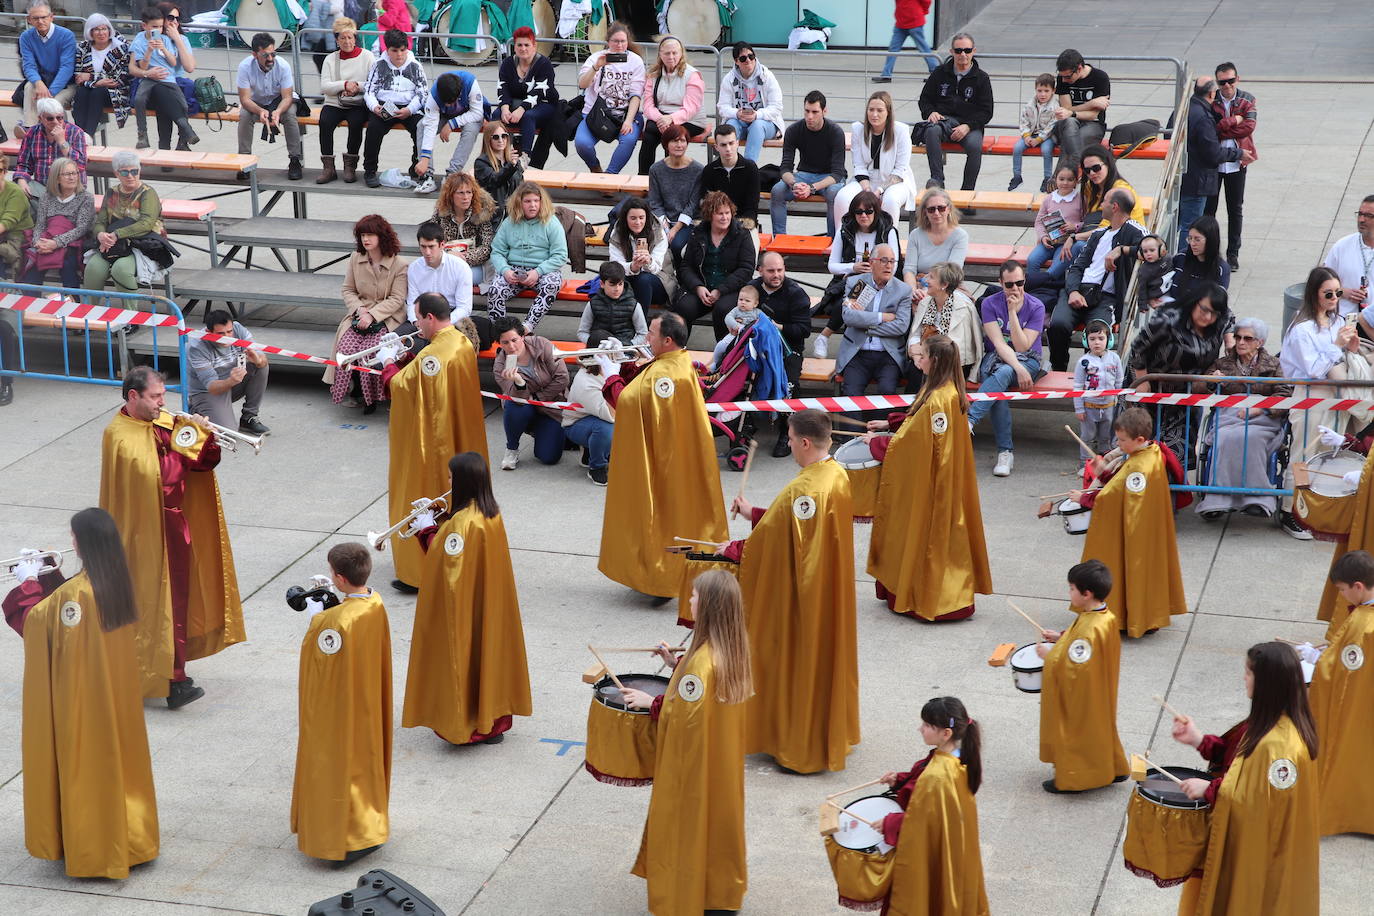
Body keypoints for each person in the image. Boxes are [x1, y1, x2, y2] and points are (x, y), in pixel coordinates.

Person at [12, 507, 157, 879]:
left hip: (84, 697)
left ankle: (96, 847)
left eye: (73, 536)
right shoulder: (113, 579)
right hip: (113, 691)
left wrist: (29, 585)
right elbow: (64, 611)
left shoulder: (77, 596)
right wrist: (51, 577)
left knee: (87, 764)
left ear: (83, 543)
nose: (70, 541)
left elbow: (39, 625)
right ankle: (131, 838)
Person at [718, 410, 858, 774]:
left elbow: (778, 542)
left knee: (791, 658)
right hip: (826, 587)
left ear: (806, 442)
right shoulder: (835, 473)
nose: (791, 446)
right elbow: (795, 524)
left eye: (793, 439)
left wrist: (736, 550)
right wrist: (755, 513)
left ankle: (797, 741)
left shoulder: (803, 488)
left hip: (802, 597)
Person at [99, 367, 245, 706]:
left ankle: (172, 672)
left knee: (177, 601)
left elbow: (200, 465)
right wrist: (189, 438)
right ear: (133, 396)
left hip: (173, 528)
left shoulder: (160, 422)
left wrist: (201, 437)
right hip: (146, 534)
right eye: (155, 397)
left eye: (163, 396)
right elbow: (160, 480)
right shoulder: (119, 435)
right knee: (156, 603)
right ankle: (167, 677)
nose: (162, 403)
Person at [621, 569, 751, 915]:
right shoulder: (729, 647)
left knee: (689, 823)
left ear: (707, 605)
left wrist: (652, 704)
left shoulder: (701, 664)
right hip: (721, 760)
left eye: (694, 596)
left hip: (696, 766)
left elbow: (686, 720)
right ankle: (719, 889)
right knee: (718, 821)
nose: (689, 599)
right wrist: (674, 663)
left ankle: (688, 891)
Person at [1168, 642, 1319, 915]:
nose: (1243, 678)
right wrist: (1198, 739)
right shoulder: (1267, 723)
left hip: (1258, 859)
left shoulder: (1280, 747)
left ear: (1266, 684)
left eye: (1248, 673)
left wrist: (1210, 789)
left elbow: (1262, 808)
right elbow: (1237, 760)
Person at [404, 452, 532, 745]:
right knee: (488, 655)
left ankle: (466, 725)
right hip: (489, 601)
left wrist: (426, 528)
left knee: (465, 654)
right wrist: (440, 518)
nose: (446, 481)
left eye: (450, 478)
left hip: (465, 605)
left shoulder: (462, 524)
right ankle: (492, 721)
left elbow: (446, 561)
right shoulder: (489, 512)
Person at [598, 312, 727, 599]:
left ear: (667, 340)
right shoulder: (677, 361)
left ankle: (662, 579)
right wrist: (625, 364)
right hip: (678, 453)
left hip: (665, 460)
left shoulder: (664, 377)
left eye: (651, 333)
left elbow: (632, 403)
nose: (647, 338)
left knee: (662, 516)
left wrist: (610, 377)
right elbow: (643, 384)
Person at [866, 334, 990, 621]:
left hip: (935, 482)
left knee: (926, 535)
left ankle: (931, 596)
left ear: (935, 361)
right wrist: (891, 422)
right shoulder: (943, 391)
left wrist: (876, 444)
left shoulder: (939, 399)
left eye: (922, 355)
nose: (916, 359)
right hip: (943, 476)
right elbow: (920, 421)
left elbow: (920, 443)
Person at [290, 542, 392, 863]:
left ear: (340, 578)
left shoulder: (334, 623)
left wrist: (317, 619)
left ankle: (344, 838)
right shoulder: (374, 602)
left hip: (340, 708)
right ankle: (368, 826)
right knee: (364, 762)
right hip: (366, 700)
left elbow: (318, 668)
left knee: (338, 765)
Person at [380, 292, 488, 591]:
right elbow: (426, 374)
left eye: (417, 317)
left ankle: (421, 570)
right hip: (458, 434)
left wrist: (388, 361)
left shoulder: (432, 355)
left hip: (434, 444)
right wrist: (405, 357)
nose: (415, 323)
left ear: (429, 317)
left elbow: (401, 387)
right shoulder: (460, 341)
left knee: (425, 495)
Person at [1071, 407, 1186, 637]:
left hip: (1137, 535)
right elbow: (1120, 486)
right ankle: (1145, 614)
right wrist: (1104, 473)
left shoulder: (1138, 468)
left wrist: (1084, 497)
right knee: (1145, 572)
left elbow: (1117, 498)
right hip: (1147, 531)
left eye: (1122, 440)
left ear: (1139, 439)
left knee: (1133, 569)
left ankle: (1132, 617)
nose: (1119, 444)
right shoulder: (1149, 454)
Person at [875, 696, 987, 913]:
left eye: (927, 725)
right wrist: (900, 779)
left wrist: (890, 823)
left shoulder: (937, 775)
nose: (920, 729)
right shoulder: (958, 756)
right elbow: (931, 803)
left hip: (934, 844)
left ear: (946, 733)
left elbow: (921, 820)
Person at [1281, 266, 1367, 539]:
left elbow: (1344, 358)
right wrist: (1337, 344)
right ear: (1314, 294)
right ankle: (1290, 511)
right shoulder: (1302, 328)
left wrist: (1351, 346)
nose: (1334, 298)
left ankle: (1323, 512)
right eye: (1328, 293)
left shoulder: (1339, 320)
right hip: (1312, 395)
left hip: (1338, 395)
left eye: (1338, 293)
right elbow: (1313, 368)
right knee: (1304, 454)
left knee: (1332, 454)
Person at [1036, 560, 1129, 793]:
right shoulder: (1104, 617)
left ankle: (1077, 777)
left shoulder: (1089, 628)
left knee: (1077, 729)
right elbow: (1082, 647)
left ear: (1086, 594)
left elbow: (1074, 668)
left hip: (1084, 693)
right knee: (1101, 725)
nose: (1069, 593)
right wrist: (1061, 638)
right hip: (1101, 686)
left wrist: (1050, 656)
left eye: (1071, 589)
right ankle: (1110, 765)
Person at [1193, 317, 1289, 520]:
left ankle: (1257, 499)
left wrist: (1261, 408)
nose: (1241, 342)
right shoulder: (1222, 363)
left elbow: (1284, 394)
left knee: (1252, 439)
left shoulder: (1273, 365)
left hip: (1261, 420)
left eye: (1247, 338)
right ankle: (1218, 499)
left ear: (1260, 342)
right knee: (1225, 439)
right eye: (1237, 337)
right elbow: (1197, 388)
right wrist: (1211, 381)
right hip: (1229, 417)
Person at [1129, 283, 1233, 468]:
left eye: (1214, 314)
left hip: (1185, 397)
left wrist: (1229, 339)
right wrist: (1141, 379)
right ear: (1195, 302)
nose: (1208, 317)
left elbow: (1229, 320)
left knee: (1174, 456)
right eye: (1204, 310)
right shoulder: (1168, 318)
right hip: (1150, 390)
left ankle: (1169, 493)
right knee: (1140, 448)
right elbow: (1138, 346)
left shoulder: (1220, 318)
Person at [1310, 550, 1374, 837]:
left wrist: (1315, 660)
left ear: (1358, 587)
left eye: (1342, 590)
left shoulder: (1364, 624)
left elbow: (1340, 672)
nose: (1342, 596)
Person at [1050, 187, 1146, 371]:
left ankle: (1092, 376)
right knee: (1057, 325)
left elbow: (1158, 250)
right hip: (1079, 290)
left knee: (1097, 335)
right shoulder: (1098, 234)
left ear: (1115, 206)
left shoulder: (1134, 231)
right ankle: (1058, 371)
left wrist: (1122, 250)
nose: (1100, 205)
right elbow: (1077, 267)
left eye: (1104, 201)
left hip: (1106, 298)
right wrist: (1074, 291)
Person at [968, 260, 1046, 477]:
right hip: (997, 357)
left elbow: (1022, 346)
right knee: (999, 381)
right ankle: (1005, 452)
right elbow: (999, 344)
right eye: (1009, 285)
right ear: (1000, 283)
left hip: (1028, 359)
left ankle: (969, 420)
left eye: (1019, 283)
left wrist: (1012, 313)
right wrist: (1017, 369)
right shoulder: (989, 304)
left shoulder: (1036, 306)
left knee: (999, 375)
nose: (1015, 289)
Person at [325, 214, 408, 410]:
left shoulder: (400, 264)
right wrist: (360, 310)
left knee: (371, 351)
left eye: (370, 234)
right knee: (345, 346)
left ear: (382, 236)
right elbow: (348, 289)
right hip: (358, 315)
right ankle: (352, 390)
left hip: (386, 319)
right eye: (362, 235)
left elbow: (397, 299)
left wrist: (372, 315)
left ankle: (375, 397)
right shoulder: (356, 258)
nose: (365, 239)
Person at [814, 191, 902, 358]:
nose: (863, 216)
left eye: (868, 211)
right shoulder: (845, 230)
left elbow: (894, 265)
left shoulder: (888, 231)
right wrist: (853, 267)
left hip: (883, 282)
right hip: (848, 281)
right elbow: (832, 266)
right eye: (858, 212)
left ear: (876, 212)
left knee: (855, 296)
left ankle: (825, 336)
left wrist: (873, 273)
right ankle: (834, 342)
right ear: (853, 213)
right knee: (851, 296)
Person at [914, 33, 993, 192]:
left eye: (967, 50)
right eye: (958, 51)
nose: (963, 54)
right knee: (931, 130)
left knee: (975, 147)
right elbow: (924, 100)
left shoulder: (982, 78)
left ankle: (966, 193)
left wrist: (968, 126)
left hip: (970, 125)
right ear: (951, 52)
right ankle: (938, 182)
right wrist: (930, 112)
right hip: (945, 120)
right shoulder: (939, 73)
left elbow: (987, 111)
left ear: (973, 51)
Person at [673, 190, 756, 337]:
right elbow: (686, 266)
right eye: (720, 213)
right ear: (710, 215)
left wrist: (720, 290)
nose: (725, 217)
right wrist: (697, 287)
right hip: (702, 288)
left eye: (727, 213)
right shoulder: (698, 233)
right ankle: (679, 351)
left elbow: (746, 269)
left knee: (723, 310)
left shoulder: (742, 234)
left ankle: (725, 355)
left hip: (730, 290)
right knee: (683, 307)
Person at [1179, 77, 1247, 253]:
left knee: (1181, 224)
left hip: (1182, 177)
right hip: (1197, 180)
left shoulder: (1184, 110)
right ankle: (1183, 264)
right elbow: (1213, 153)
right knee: (1190, 226)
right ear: (1211, 93)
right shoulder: (1202, 117)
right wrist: (1238, 153)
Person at [836, 243, 913, 399]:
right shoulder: (858, 283)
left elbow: (901, 327)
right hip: (857, 352)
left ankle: (880, 424)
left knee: (887, 392)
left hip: (888, 355)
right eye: (884, 260)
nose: (889, 266)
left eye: (892, 261)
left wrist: (864, 325)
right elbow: (848, 317)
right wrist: (882, 317)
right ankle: (853, 424)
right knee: (850, 395)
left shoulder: (903, 290)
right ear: (871, 262)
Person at [487, 182, 567, 332]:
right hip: (513, 270)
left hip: (542, 270)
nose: (533, 205)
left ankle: (526, 327)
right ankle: (501, 332)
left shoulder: (551, 223)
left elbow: (560, 255)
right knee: (495, 290)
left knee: (552, 284)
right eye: (528, 201)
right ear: (519, 203)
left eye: (536, 201)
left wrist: (538, 272)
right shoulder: (509, 223)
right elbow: (497, 251)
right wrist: (505, 270)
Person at [493, 316, 569, 470]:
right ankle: (512, 448)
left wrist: (537, 398)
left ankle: (544, 432)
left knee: (549, 457)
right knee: (513, 404)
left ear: (523, 336)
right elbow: (517, 400)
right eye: (505, 342)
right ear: (499, 344)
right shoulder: (500, 366)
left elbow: (563, 378)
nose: (511, 346)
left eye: (514, 340)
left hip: (550, 408)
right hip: (522, 407)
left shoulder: (542, 345)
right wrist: (519, 383)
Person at [84, 149, 165, 294]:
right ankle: (90, 311)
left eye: (134, 171)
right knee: (93, 268)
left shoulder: (148, 193)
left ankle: (130, 313)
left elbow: (146, 224)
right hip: (113, 244)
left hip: (142, 245)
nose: (130, 176)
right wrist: (101, 235)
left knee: (120, 269)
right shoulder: (111, 192)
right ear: (116, 174)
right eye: (124, 172)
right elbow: (100, 221)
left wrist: (116, 234)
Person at [769, 90, 845, 236]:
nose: (810, 116)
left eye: (815, 112)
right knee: (777, 191)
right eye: (807, 111)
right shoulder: (794, 130)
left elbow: (837, 174)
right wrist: (794, 184)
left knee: (834, 194)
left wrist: (811, 188)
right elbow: (785, 168)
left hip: (829, 177)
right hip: (804, 176)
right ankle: (780, 240)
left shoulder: (835, 132)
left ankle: (833, 244)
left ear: (824, 111)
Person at [575, 22, 645, 175]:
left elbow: (636, 94)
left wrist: (628, 120)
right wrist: (597, 67)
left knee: (628, 139)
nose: (619, 45)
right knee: (582, 143)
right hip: (597, 112)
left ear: (628, 42)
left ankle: (610, 175)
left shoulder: (636, 61)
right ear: (608, 42)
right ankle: (595, 167)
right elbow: (582, 84)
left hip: (625, 113)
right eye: (615, 41)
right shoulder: (596, 58)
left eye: (623, 41)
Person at [186, 309, 272, 435]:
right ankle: (196, 409)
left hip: (230, 382)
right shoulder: (197, 347)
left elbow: (263, 359)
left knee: (260, 366)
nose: (227, 337)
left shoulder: (238, 329)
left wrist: (258, 360)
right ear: (208, 332)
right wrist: (231, 381)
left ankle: (249, 417)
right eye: (220, 334)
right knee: (227, 434)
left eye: (229, 331)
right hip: (207, 392)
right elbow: (212, 387)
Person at [836, 91, 916, 226]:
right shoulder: (858, 129)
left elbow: (900, 170)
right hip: (865, 180)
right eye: (871, 110)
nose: (874, 114)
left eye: (880, 110)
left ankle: (888, 242)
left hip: (894, 181)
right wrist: (867, 191)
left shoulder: (901, 130)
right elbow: (859, 165)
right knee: (842, 197)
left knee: (890, 200)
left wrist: (878, 191)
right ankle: (842, 240)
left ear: (888, 112)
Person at [360, 29, 427, 188]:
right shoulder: (378, 65)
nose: (399, 55)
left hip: (409, 107)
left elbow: (423, 93)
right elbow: (369, 91)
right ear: (387, 49)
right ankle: (370, 170)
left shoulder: (416, 66)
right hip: (384, 106)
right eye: (394, 50)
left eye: (402, 50)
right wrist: (375, 107)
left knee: (421, 128)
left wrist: (409, 109)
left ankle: (417, 166)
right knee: (373, 130)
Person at [1206, 62, 1256, 271]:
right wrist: (1233, 120)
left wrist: (1223, 127)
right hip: (1214, 161)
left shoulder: (1247, 99)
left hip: (1238, 160)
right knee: (1210, 210)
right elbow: (1209, 130)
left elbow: (1249, 127)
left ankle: (1232, 254)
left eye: (1230, 81)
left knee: (1235, 210)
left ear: (1238, 79)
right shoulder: (1211, 100)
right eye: (1222, 82)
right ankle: (1210, 253)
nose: (1226, 86)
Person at [129, 5, 197, 152]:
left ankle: (171, 145)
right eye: (171, 18)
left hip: (171, 82)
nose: (175, 22)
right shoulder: (142, 38)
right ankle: (173, 143)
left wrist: (177, 39)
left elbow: (190, 68)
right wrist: (147, 73)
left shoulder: (180, 39)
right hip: (151, 83)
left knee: (165, 93)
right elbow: (134, 67)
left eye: (177, 19)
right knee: (160, 91)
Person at [315, 17, 375, 184]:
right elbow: (325, 86)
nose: (347, 41)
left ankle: (350, 167)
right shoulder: (330, 59)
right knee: (325, 121)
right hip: (335, 101)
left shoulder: (368, 56)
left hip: (358, 102)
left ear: (355, 38)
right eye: (342, 38)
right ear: (336, 40)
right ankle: (328, 168)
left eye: (350, 37)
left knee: (356, 122)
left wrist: (356, 87)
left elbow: (374, 83)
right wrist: (344, 85)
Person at [19, 156, 91, 290]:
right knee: (33, 263)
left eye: (75, 173)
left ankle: (71, 307)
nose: (72, 177)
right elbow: (40, 224)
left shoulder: (86, 198)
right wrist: (38, 243)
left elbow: (81, 228)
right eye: (67, 174)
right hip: (46, 239)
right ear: (57, 178)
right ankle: (31, 307)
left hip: (72, 242)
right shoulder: (47, 196)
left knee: (67, 265)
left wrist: (56, 243)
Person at [236, 33, 302, 179]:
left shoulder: (283, 65)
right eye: (265, 55)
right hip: (256, 102)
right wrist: (260, 111)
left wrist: (278, 112)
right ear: (254, 54)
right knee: (245, 115)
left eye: (273, 54)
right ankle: (244, 160)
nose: (271, 59)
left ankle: (295, 160)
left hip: (279, 100)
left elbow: (287, 97)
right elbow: (245, 99)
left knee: (290, 115)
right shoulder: (245, 67)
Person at [638, 36, 706, 175]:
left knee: (671, 135)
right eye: (667, 53)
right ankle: (643, 178)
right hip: (661, 117)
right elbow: (648, 105)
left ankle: (669, 178)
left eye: (675, 52)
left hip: (690, 120)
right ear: (660, 54)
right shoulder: (653, 75)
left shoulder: (692, 75)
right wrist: (660, 119)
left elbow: (691, 108)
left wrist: (671, 119)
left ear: (681, 53)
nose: (671, 56)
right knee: (649, 137)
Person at [750, 251, 813, 402]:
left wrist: (777, 327)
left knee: (789, 386)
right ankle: (747, 421)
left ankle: (791, 422)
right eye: (771, 271)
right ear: (760, 270)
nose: (776, 275)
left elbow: (804, 330)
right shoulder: (751, 289)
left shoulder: (796, 294)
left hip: (789, 349)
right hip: (757, 347)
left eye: (780, 270)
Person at [907, 260, 980, 385]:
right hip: (925, 357)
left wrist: (925, 354)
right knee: (913, 373)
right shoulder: (925, 303)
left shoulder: (964, 308)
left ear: (944, 284)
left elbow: (958, 347)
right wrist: (916, 356)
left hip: (952, 364)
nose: (926, 280)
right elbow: (915, 333)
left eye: (931, 277)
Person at [496, 27, 560, 168]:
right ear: (514, 47)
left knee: (528, 116)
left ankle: (525, 157)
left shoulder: (544, 64)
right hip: (516, 103)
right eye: (519, 45)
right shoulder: (508, 63)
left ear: (534, 46)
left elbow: (539, 92)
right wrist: (505, 108)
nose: (523, 48)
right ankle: (496, 154)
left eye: (527, 45)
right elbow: (503, 88)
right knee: (496, 115)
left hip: (544, 103)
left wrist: (521, 109)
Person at [414, 69, 485, 194]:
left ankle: (452, 175)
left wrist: (452, 124)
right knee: (422, 126)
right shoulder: (434, 95)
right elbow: (430, 126)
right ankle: (427, 176)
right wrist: (424, 159)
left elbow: (477, 113)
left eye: (451, 102)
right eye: (445, 102)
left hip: (469, 114)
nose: (448, 104)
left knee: (471, 130)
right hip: (444, 116)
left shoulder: (470, 83)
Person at [406, 220, 476, 339]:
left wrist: (439, 325)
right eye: (423, 247)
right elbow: (412, 302)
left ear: (442, 245)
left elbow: (464, 308)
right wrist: (416, 322)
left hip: (450, 317)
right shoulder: (414, 268)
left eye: (431, 246)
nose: (427, 252)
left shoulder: (460, 267)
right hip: (422, 317)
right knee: (396, 342)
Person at [717, 41, 783, 163]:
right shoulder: (729, 79)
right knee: (731, 124)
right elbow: (722, 107)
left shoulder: (767, 76)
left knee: (757, 126)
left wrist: (757, 115)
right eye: (743, 58)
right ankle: (728, 165)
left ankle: (748, 169)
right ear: (736, 61)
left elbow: (777, 106)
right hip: (740, 122)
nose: (748, 60)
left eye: (751, 56)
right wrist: (737, 114)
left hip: (766, 123)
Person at [430, 172, 498, 291]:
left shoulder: (481, 214)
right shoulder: (440, 214)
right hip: (446, 263)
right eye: (460, 193)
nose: (466, 197)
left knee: (455, 278)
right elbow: (431, 240)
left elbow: (487, 247)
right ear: (450, 195)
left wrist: (463, 257)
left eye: (469, 192)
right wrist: (447, 255)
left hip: (474, 265)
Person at [18, 2, 77, 132]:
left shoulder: (66, 35)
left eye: (44, 17)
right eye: (35, 18)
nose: (40, 21)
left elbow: (67, 68)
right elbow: (28, 65)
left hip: (66, 85)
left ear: (51, 17)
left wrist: (49, 93)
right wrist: (39, 83)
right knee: (29, 87)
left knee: (53, 104)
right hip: (43, 81)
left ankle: (59, 135)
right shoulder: (25, 37)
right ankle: (30, 130)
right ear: (29, 19)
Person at [12, 97, 87, 200]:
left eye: (59, 118)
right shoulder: (32, 133)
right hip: (42, 188)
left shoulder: (76, 132)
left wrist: (62, 142)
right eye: (50, 118)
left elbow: (81, 165)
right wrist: (21, 180)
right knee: (16, 192)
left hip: (69, 189)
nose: (56, 122)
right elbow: (23, 164)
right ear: (40, 118)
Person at [71, 13, 131, 138]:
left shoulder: (121, 47)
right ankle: (80, 135)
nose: (101, 32)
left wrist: (91, 78)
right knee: (81, 93)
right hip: (90, 89)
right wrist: (97, 82)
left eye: (104, 28)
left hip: (116, 92)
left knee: (96, 93)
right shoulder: (82, 48)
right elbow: (78, 77)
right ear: (90, 32)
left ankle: (87, 136)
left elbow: (119, 78)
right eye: (96, 29)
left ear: (109, 30)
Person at [607, 198, 673, 310]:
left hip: (658, 282)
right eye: (633, 218)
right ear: (625, 218)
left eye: (641, 218)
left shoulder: (658, 231)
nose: (638, 222)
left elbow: (658, 268)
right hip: (628, 279)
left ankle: (640, 325)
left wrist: (648, 262)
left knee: (643, 279)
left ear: (646, 217)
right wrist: (633, 267)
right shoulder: (617, 232)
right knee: (615, 282)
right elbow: (616, 266)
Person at [648, 123, 703, 256]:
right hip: (663, 220)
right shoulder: (656, 169)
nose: (679, 145)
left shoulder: (698, 169)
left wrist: (676, 228)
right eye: (674, 141)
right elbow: (655, 202)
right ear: (666, 144)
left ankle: (680, 275)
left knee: (677, 245)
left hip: (688, 222)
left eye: (682, 141)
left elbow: (693, 203)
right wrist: (665, 227)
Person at [1051, 49, 1111, 169]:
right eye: (1061, 76)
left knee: (1073, 139)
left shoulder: (1100, 77)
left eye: (1067, 77)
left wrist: (1071, 112)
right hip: (1067, 124)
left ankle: (1059, 177)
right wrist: (1091, 103)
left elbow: (1092, 115)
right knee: (1070, 124)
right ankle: (1075, 167)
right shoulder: (1062, 78)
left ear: (1079, 68)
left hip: (1094, 125)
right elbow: (1066, 109)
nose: (1063, 80)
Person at [1073, 318, 1123, 460]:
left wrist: (1121, 404)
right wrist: (1079, 409)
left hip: (1109, 407)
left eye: (1101, 338)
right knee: (1087, 437)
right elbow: (1077, 386)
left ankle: (1105, 462)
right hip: (1089, 407)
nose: (1096, 342)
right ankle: (1084, 463)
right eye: (1092, 339)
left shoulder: (1115, 358)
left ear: (1109, 339)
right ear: (1085, 341)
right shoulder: (1083, 361)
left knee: (1106, 437)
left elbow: (1119, 382)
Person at [563, 354, 616, 486]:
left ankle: (590, 451)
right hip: (576, 424)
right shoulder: (585, 382)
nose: (613, 357)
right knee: (606, 427)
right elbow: (609, 415)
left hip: (596, 417)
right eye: (609, 354)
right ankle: (596, 467)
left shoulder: (612, 370)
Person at [903, 186, 968, 290]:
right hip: (918, 288)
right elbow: (909, 270)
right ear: (925, 212)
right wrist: (913, 291)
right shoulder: (915, 235)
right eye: (931, 209)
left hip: (947, 288)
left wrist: (925, 279)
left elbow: (951, 273)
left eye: (941, 208)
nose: (936, 213)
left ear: (949, 209)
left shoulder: (960, 236)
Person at [1026, 164, 1083, 281]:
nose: (1065, 183)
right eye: (1061, 179)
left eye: (1070, 179)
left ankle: (1044, 286)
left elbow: (1087, 222)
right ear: (1056, 179)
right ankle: (1033, 288)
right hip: (1049, 242)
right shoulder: (1049, 199)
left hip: (1066, 243)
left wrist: (1075, 226)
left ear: (1076, 182)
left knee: (1057, 265)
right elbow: (1039, 221)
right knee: (1032, 260)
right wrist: (1043, 237)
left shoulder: (1080, 199)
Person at [699, 123, 761, 230]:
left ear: (737, 143)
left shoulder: (750, 168)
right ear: (716, 147)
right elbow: (706, 205)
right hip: (717, 224)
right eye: (723, 145)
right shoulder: (709, 171)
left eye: (731, 143)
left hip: (744, 224)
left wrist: (739, 226)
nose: (728, 149)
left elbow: (751, 207)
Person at [1326, 194, 1374, 322]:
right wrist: (1343, 292)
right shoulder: (1342, 246)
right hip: (1344, 320)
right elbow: (1320, 283)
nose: (1361, 219)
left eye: (1368, 216)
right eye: (1360, 214)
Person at [579, 261, 647, 348]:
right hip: (599, 349)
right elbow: (582, 332)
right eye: (612, 284)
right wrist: (594, 342)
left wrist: (628, 345)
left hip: (624, 350)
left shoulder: (634, 305)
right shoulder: (593, 303)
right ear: (602, 284)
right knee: (598, 335)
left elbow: (643, 334)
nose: (617, 289)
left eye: (620, 284)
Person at [1010, 73, 1058, 191]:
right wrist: (1026, 136)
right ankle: (1017, 176)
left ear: (1053, 91)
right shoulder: (1030, 105)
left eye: (1046, 91)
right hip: (1030, 134)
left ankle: (1047, 178)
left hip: (1046, 137)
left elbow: (1052, 126)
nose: (1042, 94)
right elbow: (1023, 121)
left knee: (1046, 150)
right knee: (1017, 148)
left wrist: (1039, 139)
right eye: (1039, 90)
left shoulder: (1055, 106)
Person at [872, 0, 938, 82]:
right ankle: (886, 75)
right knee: (893, 49)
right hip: (901, 23)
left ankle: (936, 74)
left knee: (923, 49)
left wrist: (922, 11)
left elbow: (926, 1)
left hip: (914, 22)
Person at [473, 121, 524, 215]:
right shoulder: (481, 162)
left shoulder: (513, 161)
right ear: (488, 140)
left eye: (504, 136)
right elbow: (494, 181)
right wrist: (510, 166)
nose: (500, 140)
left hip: (514, 213)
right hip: (494, 216)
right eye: (496, 137)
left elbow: (520, 186)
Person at [709, 282, 760, 371]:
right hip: (734, 334)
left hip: (749, 338)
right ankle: (716, 363)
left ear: (755, 304)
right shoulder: (736, 310)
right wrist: (736, 326)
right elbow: (728, 318)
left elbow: (765, 320)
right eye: (740, 299)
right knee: (720, 346)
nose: (743, 302)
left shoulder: (757, 312)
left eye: (747, 301)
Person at [0, 155, 34, 279]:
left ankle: (4, 291)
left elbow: (7, 222)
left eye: (0, 171)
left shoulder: (15, 192)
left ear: (5, 172)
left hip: (18, 237)